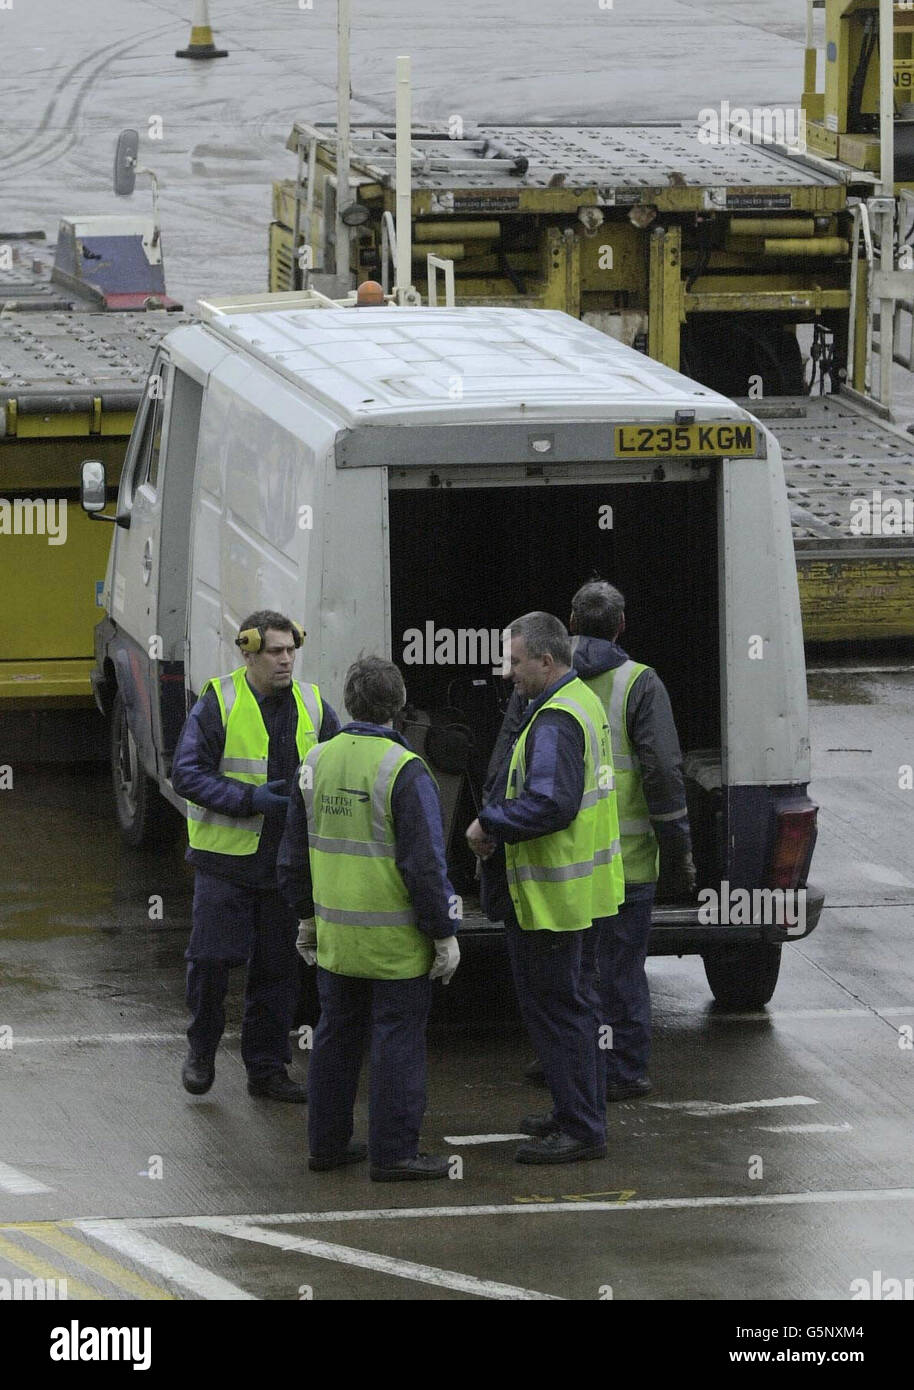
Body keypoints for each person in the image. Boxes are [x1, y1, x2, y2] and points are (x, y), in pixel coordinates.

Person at [487, 581, 695, 1101]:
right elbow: (663, 772)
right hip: (625, 860)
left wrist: (491, 824)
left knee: (567, 978)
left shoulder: (541, 680)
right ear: (621, 626)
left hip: (558, 863)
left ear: (571, 625)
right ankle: (622, 1069)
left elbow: (504, 759)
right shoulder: (641, 684)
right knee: (620, 971)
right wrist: (679, 850)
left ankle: (566, 1059)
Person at [277, 655, 460, 1180]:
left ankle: (327, 1146)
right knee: (397, 1043)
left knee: (335, 1040)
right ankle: (394, 1154)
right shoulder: (403, 770)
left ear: (349, 701)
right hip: (395, 946)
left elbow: (293, 855)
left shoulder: (315, 762)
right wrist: (444, 932)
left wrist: (305, 918)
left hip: (337, 940)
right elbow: (425, 866)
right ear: (399, 706)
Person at [466, 612, 624, 1165]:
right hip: (576, 893)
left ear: (546, 660)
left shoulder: (555, 719)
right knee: (571, 1007)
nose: (508, 673)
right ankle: (573, 1109)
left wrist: (489, 823)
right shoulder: (580, 701)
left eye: (515, 661)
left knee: (561, 1012)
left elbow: (550, 805)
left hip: (551, 899)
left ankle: (581, 1127)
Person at [171, 610, 339, 1102]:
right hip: (226, 863)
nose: (286, 660)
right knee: (211, 961)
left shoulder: (312, 704)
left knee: (277, 972)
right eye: (275, 651)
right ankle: (201, 1050)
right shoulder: (219, 700)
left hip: (285, 866)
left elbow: (339, 758)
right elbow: (187, 775)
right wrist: (249, 800)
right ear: (248, 653)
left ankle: (266, 1071)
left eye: (291, 650)